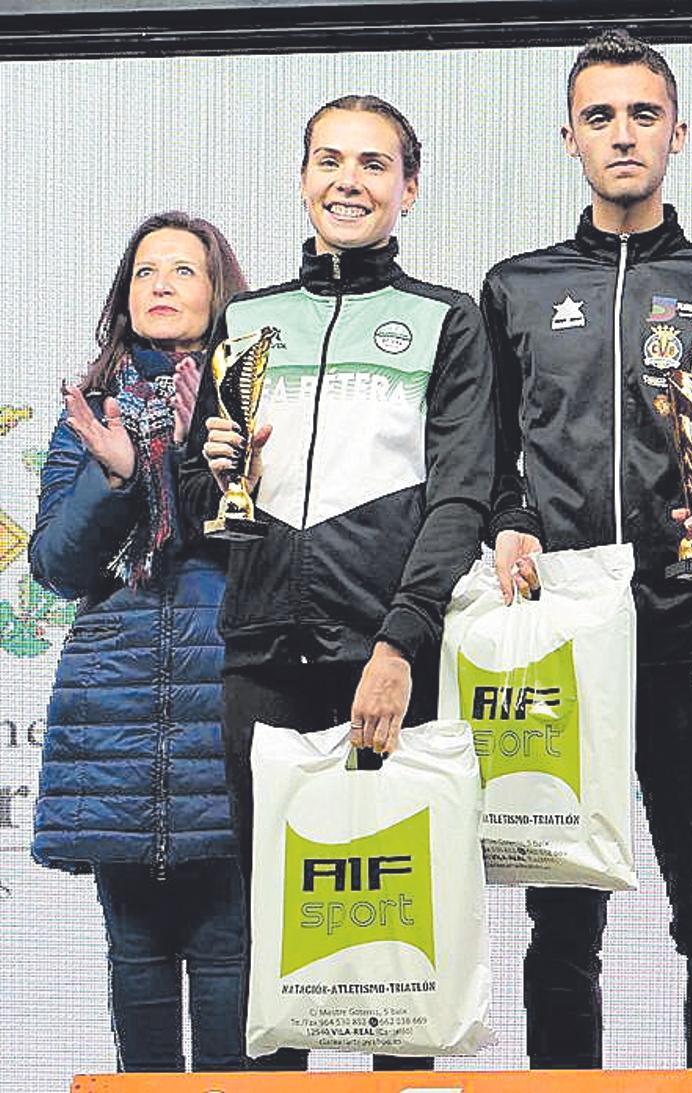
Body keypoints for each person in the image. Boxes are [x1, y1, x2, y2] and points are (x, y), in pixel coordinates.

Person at [482, 30, 692, 1071]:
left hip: (690, 631)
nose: (624, 134)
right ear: (568, 137)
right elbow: (483, 461)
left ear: (678, 131)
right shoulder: (517, 290)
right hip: (556, 645)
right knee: (562, 928)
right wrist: (506, 521)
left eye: (644, 114)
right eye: (601, 116)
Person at [180, 94, 494, 1072]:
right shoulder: (247, 319)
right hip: (263, 659)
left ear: (408, 187)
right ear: (303, 177)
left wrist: (401, 644)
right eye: (328, 161)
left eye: (372, 164)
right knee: (274, 937)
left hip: (389, 659)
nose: (346, 181)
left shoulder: (446, 320)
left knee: (398, 940)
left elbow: (460, 501)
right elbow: (208, 503)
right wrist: (213, 469)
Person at [29, 211, 248, 1072]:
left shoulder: (254, 398)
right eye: (145, 270)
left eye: (182, 270)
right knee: (137, 960)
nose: (160, 283)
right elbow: (54, 563)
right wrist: (118, 476)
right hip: (113, 722)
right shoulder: (91, 413)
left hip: (226, 706)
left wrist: (223, 467)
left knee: (233, 959)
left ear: (217, 289)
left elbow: (279, 553)